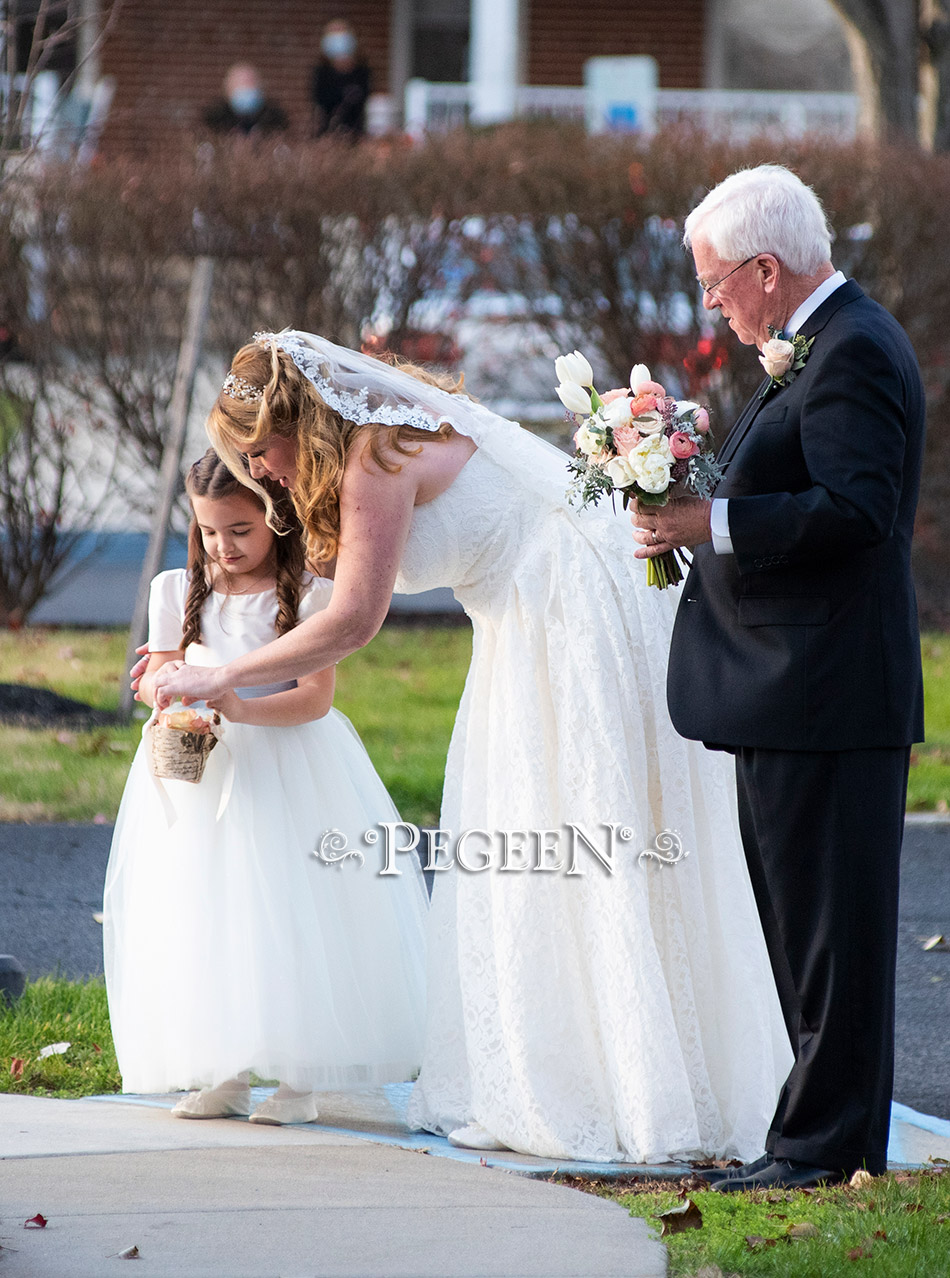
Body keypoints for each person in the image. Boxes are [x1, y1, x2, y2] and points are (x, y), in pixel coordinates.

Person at [140, 330, 792, 1164]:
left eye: (262, 451)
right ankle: (553, 1072)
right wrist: (183, 657)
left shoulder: (376, 457)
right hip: (518, 616)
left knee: (586, 831)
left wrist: (214, 679)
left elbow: (352, 622)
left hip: (569, 605)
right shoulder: (358, 456)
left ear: (301, 421)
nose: (261, 470)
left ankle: (626, 1084)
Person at [632, 164, 925, 1189]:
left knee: (828, 942)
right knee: (809, 936)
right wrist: (686, 492)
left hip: (826, 692)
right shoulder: (820, 346)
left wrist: (703, 520)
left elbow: (854, 513)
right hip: (795, 688)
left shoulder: (847, 350)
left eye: (714, 281)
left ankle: (819, 1150)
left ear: (765, 268)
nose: (710, 300)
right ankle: (818, 1142)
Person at [105, 449, 427, 1123]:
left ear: (275, 521)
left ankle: (299, 1080)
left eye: (240, 531)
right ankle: (223, 1070)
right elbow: (164, 674)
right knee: (209, 914)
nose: (223, 546)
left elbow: (314, 700)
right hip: (199, 776)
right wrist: (160, 692)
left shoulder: (308, 594)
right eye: (210, 531)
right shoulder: (174, 591)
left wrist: (237, 706)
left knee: (289, 914)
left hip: (288, 770)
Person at [312, 20, 370, 139]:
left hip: (356, 136)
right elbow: (321, 103)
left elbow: (362, 102)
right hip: (327, 137)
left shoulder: (362, 72)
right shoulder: (321, 73)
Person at [203, 63, 289, 137]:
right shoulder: (216, 119)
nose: (246, 88)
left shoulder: (273, 118)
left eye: (250, 83)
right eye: (241, 84)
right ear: (228, 88)